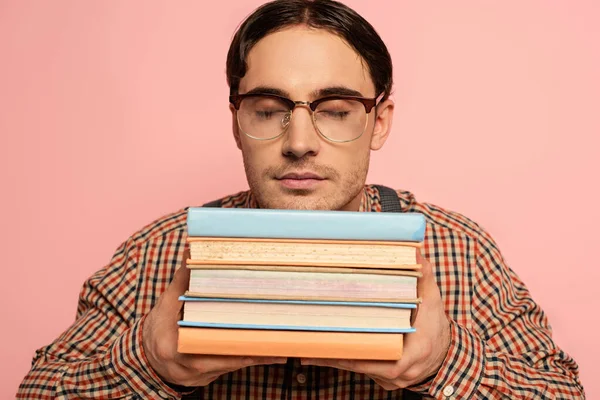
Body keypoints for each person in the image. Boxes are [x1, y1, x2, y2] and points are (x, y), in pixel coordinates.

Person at [18, 0, 585, 399]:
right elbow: (39, 390)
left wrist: (447, 363)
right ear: (236, 121)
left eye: (335, 110)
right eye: (268, 110)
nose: (299, 143)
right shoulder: (156, 254)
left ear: (379, 121)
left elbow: (560, 391)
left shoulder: (458, 252)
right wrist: (150, 363)